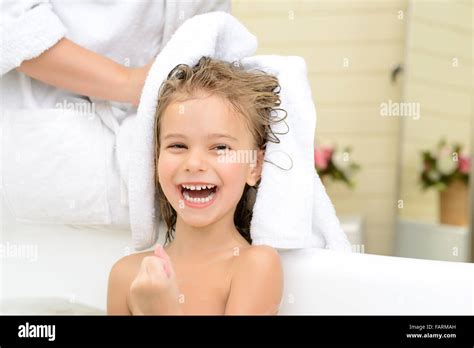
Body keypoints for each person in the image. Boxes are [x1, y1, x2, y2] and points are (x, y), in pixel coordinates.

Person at [107, 57, 285, 315]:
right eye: (177, 145)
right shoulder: (126, 275)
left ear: (254, 166)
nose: (194, 163)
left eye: (220, 147)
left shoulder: (254, 266)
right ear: (155, 159)